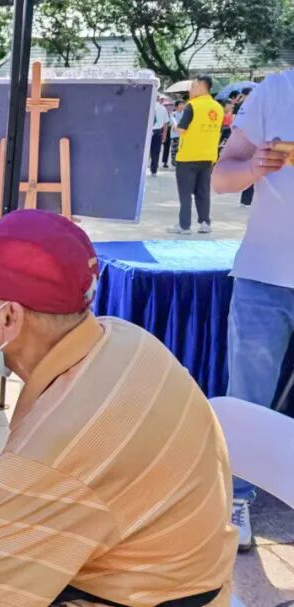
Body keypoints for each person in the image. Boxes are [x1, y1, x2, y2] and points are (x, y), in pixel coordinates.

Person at [0, 209, 237, 607]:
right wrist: (16, 470)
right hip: (185, 572)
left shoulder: (52, 456)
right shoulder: (121, 337)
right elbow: (101, 462)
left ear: (9, 317)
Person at [213, 68, 294, 552]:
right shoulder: (276, 91)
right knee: (247, 397)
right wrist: (254, 168)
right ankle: (235, 498)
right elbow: (222, 177)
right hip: (266, 273)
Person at [168, 74, 223, 236]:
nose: (191, 90)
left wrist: (174, 125)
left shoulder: (192, 106)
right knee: (203, 191)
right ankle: (205, 223)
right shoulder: (218, 108)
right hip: (208, 156)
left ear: (201, 86)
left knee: (185, 193)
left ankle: (184, 225)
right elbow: (219, 131)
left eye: (193, 86)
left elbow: (181, 129)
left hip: (188, 156)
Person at [149, 96, 170, 175]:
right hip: (157, 132)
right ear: (158, 99)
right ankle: (154, 170)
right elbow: (165, 123)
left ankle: (140, 169)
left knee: (142, 151)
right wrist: (164, 135)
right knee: (155, 152)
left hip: (147, 131)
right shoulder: (163, 108)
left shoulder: (147, 105)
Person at [163, 99, 183, 168]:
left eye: (182, 105)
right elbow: (173, 123)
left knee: (181, 150)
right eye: (180, 105)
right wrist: (176, 126)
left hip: (183, 135)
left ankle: (180, 163)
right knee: (174, 150)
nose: (182, 106)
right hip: (175, 135)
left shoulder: (185, 114)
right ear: (176, 106)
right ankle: (174, 163)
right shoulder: (173, 114)